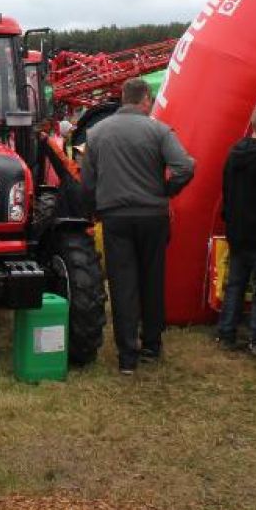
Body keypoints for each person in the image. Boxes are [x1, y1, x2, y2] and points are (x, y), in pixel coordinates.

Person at [81, 77, 195, 374]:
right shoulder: (158, 130)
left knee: (123, 284)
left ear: (122, 98)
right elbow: (185, 166)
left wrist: (96, 207)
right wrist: (167, 191)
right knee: (152, 280)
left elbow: (88, 182)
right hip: (152, 216)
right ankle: (151, 346)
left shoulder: (95, 134)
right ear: (144, 99)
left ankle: (127, 357)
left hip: (115, 217)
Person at [217, 105, 256, 356]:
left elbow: (225, 190)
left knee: (235, 285)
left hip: (237, 231)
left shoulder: (234, 153)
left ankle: (226, 332)